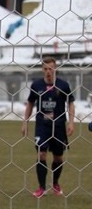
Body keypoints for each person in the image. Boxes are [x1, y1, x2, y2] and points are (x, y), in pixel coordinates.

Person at [21, 56, 75, 197]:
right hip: (42, 126)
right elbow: (30, 104)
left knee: (58, 158)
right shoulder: (36, 85)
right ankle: (41, 187)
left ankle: (55, 183)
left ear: (55, 68)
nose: (48, 72)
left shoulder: (63, 85)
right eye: (45, 69)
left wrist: (70, 122)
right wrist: (25, 122)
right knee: (42, 154)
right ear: (42, 69)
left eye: (50, 69)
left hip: (58, 127)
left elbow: (70, 102)